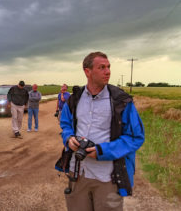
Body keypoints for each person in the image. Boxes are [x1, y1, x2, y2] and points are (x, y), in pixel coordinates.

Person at [59, 52, 145, 211]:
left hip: (108, 178)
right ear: (87, 71)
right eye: (102, 67)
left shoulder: (121, 101)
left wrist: (102, 151)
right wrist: (68, 137)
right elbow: (65, 124)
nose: (108, 71)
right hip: (77, 174)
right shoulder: (75, 99)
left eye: (108, 67)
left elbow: (136, 137)